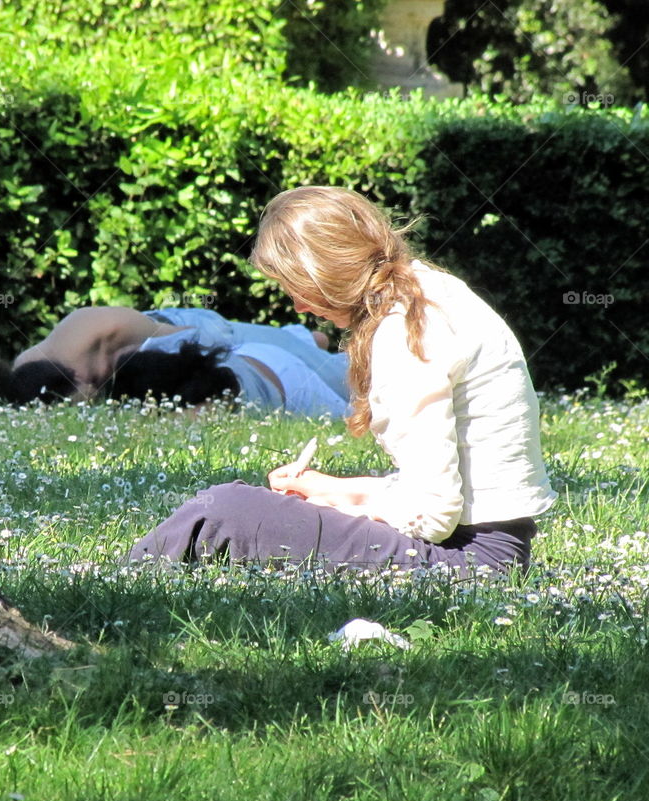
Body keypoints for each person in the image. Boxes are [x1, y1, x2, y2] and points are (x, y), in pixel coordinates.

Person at [129, 186, 556, 575]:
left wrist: (338, 504)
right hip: (491, 549)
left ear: (325, 269)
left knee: (226, 507)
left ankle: (120, 578)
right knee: (258, 505)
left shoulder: (403, 331)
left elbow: (432, 515)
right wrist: (331, 492)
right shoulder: (428, 290)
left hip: (470, 564)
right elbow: (439, 493)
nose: (297, 306)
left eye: (296, 286)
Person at [0, 306, 349, 416]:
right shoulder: (29, 372)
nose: (87, 400)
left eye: (83, 394)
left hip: (185, 330)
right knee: (291, 352)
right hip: (156, 352)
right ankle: (303, 342)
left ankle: (306, 340)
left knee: (290, 349)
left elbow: (192, 340)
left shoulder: (95, 332)